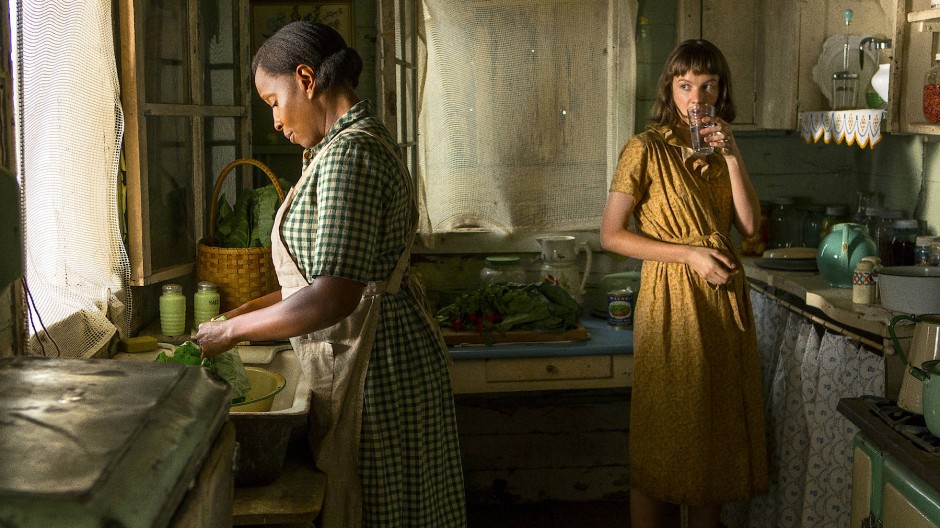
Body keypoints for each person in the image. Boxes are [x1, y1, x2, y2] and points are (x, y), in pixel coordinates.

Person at [194, 21, 467, 528]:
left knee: (382, 512)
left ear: (305, 78)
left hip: (380, 367)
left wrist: (230, 332)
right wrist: (240, 313)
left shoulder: (350, 155)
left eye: (273, 101)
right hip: (375, 348)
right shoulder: (339, 148)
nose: (274, 121)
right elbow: (311, 282)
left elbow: (333, 297)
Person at [599, 39, 768, 528]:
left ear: (721, 89)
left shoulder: (722, 150)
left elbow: (750, 226)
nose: (697, 97)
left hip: (722, 301)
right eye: (686, 85)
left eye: (708, 85)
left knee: (713, 435)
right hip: (671, 299)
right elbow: (611, 235)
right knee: (666, 430)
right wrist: (690, 254)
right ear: (670, 90)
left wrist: (734, 157)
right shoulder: (644, 148)